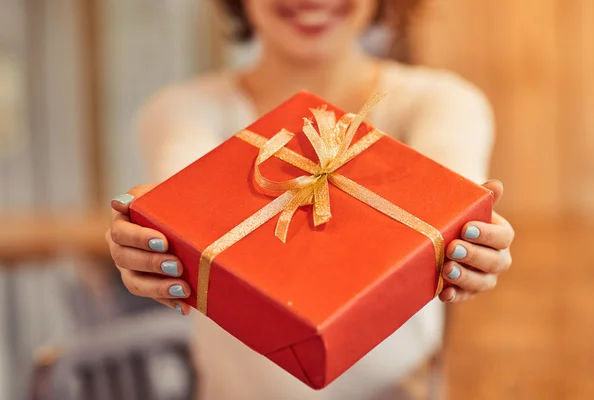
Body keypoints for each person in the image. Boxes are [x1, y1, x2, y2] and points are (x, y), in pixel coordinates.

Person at [106, 1, 515, 399]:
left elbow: (452, 210)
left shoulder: (439, 102)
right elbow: (183, 219)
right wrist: (146, 241)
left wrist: (474, 246)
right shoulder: (183, 111)